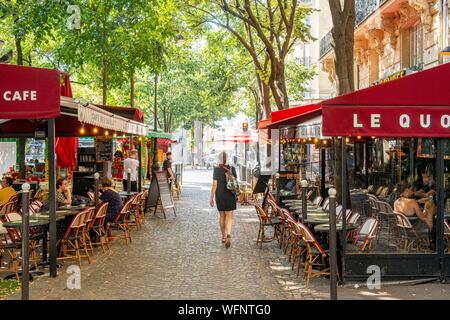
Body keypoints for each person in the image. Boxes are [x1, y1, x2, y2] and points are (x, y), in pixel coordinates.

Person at [210, 152, 237, 248]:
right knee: (229, 216)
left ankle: (223, 237)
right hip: (230, 194)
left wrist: (211, 197)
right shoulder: (232, 168)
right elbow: (235, 182)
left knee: (222, 216)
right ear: (227, 158)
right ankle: (228, 234)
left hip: (220, 195)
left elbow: (214, 184)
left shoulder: (216, 169)